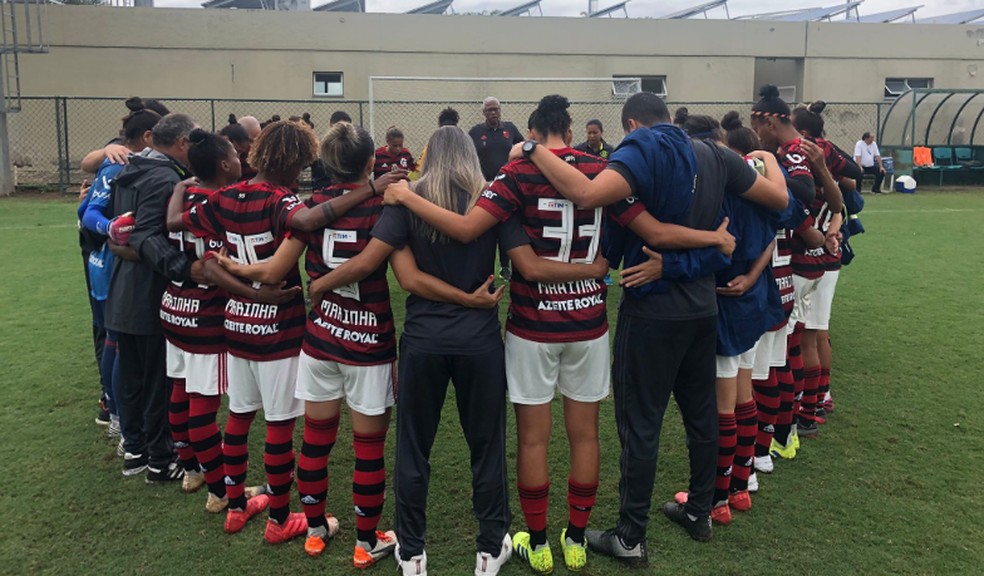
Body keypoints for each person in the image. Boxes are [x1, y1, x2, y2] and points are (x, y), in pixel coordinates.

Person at [516, 91, 787, 563]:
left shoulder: (642, 149)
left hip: (654, 313)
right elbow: (776, 202)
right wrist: (765, 156)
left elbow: (585, 193)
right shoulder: (718, 153)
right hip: (703, 310)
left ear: (632, 126)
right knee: (701, 417)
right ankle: (702, 510)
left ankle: (630, 536)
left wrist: (532, 149)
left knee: (641, 424)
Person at [297, 125, 515, 576]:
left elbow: (410, 281)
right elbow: (517, 263)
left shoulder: (403, 199)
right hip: (478, 341)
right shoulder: (491, 198)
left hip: (424, 340)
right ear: (472, 155)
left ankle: (412, 552)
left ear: (427, 155)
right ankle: (491, 548)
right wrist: (472, 300)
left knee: (414, 448)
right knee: (487, 446)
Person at [213, 122, 402, 565]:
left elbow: (272, 268)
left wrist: (226, 265)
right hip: (369, 344)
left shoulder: (309, 206)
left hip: (319, 342)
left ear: (326, 164)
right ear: (372, 163)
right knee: (368, 449)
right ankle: (366, 541)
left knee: (316, 443)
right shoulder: (384, 204)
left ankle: (315, 531)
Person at [176, 120, 319, 544]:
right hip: (279, 331)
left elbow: (186, 226)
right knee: (279, 426)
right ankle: (279, 518)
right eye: (303, 163)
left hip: (235, 325)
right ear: (292, 160)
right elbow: (307, 221)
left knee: (238, 417)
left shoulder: (221, 197)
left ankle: (235, 506)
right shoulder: (284, 200)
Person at [105, 112, 205, 484]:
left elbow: (121, 233)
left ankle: (135, 452)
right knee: (156, 381)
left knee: (133, 377)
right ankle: (160, 460)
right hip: (149, 293)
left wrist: (120, 245)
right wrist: (185, 267)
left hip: (122, 290)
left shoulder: (127, 169)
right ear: (181, 143)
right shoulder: (164, 177)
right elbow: (146, 236)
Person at [79, 98, 161, 445]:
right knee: (116, 341)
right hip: (112, 266)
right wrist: (111, 227)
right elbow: (88, 211)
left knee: (115, 339)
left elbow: (85, 206)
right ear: (146, 136)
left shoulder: (122, 160)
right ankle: (118, 416)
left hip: (107, 265)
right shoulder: (118, 166)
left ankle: (120, 414)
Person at [468, 97, 524, 280]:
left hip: (507, 188)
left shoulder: (511, 129)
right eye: (489, 110)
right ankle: (485, 268)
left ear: (500, 110)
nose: (493, 113)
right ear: (484, 113)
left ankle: (505, 267)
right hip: (483, 189)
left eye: (496, 109)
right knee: (485, 230)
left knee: (507, 227)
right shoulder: (475, 132)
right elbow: (467, 157)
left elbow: (523, 150)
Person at [220, 115, 256, 182]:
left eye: (241, 153)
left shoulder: (248, 160)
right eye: (236, 151)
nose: (238, 158)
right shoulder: (215, 159)